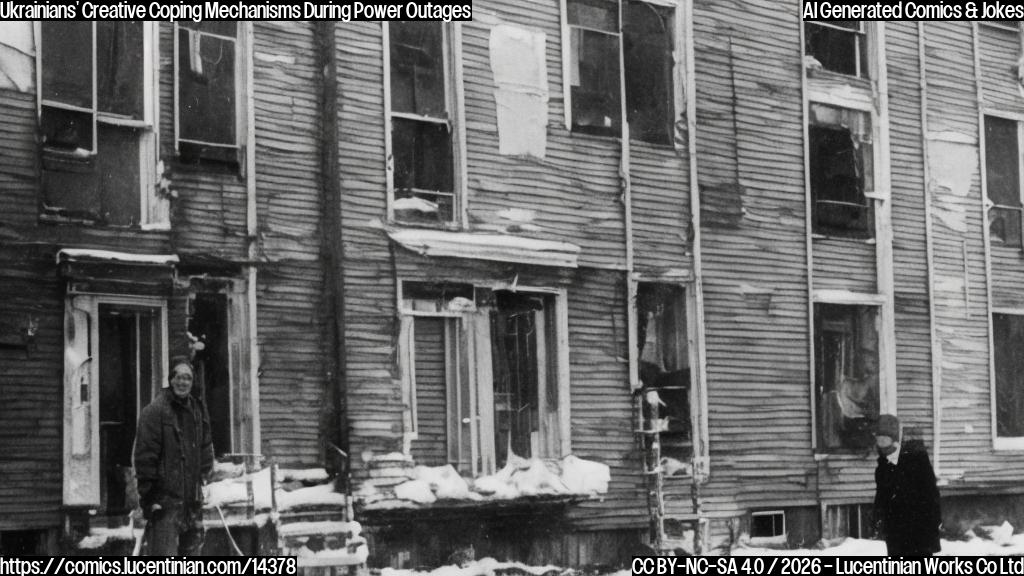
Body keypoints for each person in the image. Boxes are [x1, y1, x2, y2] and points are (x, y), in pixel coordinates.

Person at [134, 356, 214, 555]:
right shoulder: (154, 412)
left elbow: (205, 447)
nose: (182, 382)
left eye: (187, 377)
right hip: (165, 506)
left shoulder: (197, 410)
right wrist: (149, 498)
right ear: (170, 380)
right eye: (177, 377)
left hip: (192, 504)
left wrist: (204, 477)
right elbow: (145, 459)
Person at [872, 414, 942, 557]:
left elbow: (931, 493)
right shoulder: (882, 467)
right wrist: (877, 517)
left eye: (885, 439)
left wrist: (933, 523)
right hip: (895, 533)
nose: (881, 444)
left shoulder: (917, 460)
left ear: (894, 439)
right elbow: (881, 497)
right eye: (879, 440)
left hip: (919, 530)